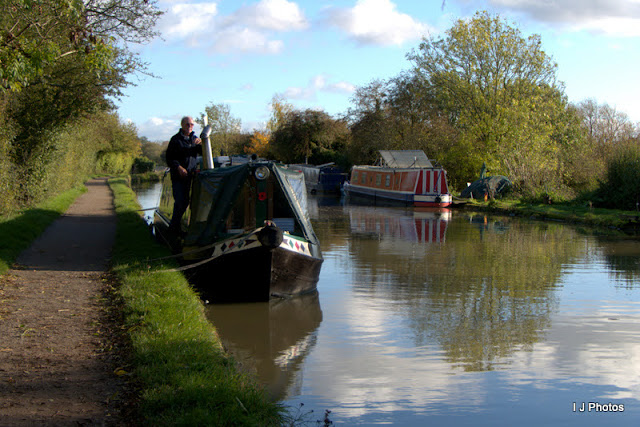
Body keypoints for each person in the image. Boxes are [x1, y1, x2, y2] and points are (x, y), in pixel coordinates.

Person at [165, 116, 202, 236]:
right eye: (188, 124)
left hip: (190, 176)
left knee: (186, 202)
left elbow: (203, 153)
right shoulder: (175, 140)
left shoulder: (195, 139)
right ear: (182, 125)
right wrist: (178, 167)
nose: (190, 126)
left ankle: (178, 228)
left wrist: (202, 143)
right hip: (178, 177)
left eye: (192, 124)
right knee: (180, 201)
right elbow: (169, 158)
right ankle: (173, 230)